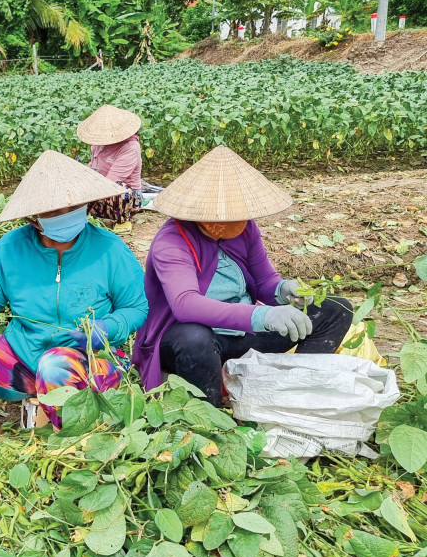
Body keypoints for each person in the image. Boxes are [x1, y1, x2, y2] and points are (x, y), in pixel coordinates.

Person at [0, 151, 149, 435]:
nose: (66, 216)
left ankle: (69, 436)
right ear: (34, 217)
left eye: (73, 207)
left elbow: (137, 307)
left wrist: (107, 328)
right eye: (54, 212)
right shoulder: (10, 249)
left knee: (55, 366)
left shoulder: (110, 249)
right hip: (24, 359)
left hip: (90, 361)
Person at [133, 146, 352, 407]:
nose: (232, 220)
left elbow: (263, 282)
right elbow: (185, 305)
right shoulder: (172, 242)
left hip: (242, 332)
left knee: (335, 309)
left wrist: (283, 291)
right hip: (192, 342)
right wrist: (264, 316)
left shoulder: (244, 229)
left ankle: (294, 392)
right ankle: (210, 414)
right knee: (194, 337)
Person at [77, 105, 144, 229]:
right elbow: (93, 166)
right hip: (100, 190)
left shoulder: (130, 148)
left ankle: (123, 218)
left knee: (118, 189)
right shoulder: (98, 144)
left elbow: (111, 181)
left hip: (124, 198)